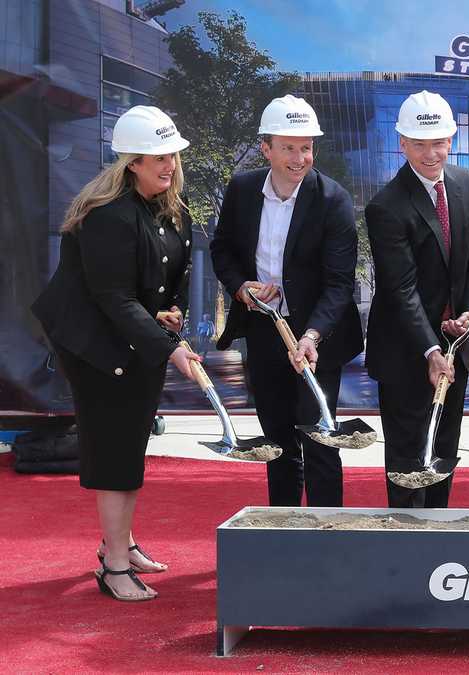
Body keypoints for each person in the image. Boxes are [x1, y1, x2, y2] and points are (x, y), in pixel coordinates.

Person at [32, 106, 201, 601]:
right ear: (131, 162)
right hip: (98, 347)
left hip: (136, 338)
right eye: (156, 158)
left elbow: (167, 280)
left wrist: (169, 316)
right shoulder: (108, 216)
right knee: (114, 452)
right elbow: (113, 299)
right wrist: (170, 349)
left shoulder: (172, 206)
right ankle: (115, 567)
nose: (168, 165)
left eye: (172, 155)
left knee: (129, 444)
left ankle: (119, 544)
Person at [209, 95, 361, 507]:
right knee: (277, 441)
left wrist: (311, 335)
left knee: (320, 439)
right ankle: (283, 531)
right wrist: (243, 287)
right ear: (266, 148)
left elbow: (339, 282)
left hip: (316, 337)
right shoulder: (242, 189)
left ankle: (329, 539)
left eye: (306, 147)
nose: (300, 158)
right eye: (289, 147)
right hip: (262, 332)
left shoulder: (333, 201)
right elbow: (221, 249)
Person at [365, 90, 469, 508]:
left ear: (451, 140)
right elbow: (400, 290)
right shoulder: (386, 206)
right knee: (406, 462)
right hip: (406, 351)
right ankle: (401, 554)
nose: (430, 152)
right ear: (402, 143)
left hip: (456, 346)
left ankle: (437, 543)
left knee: (443, 454)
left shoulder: (468, 184)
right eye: (419, 143)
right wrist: (430, 349)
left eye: (438, 141)